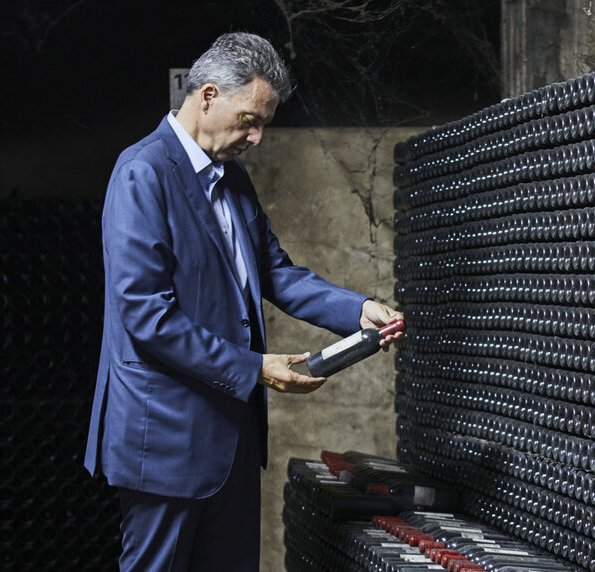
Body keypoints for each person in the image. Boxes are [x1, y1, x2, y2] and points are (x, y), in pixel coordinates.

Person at [83, 32, 403, 570]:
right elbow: (147, 315)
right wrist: (256, 367)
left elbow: (275, 273)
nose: (256, 138)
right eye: (250, 120)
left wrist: (357, 309)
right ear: (207, 95)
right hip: (164, 439)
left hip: (231, 439)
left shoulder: (233, 180)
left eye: (263, 125)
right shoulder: (142, 173)